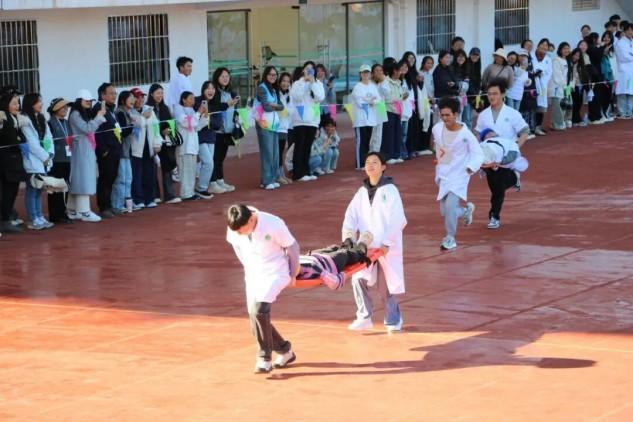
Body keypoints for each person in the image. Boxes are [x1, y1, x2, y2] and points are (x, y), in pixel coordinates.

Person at [225, 204, 299, 374]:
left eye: (242, 230)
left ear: (251, 219)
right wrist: (248, 265)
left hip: (276, 271)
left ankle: (264, 358)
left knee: (260, 309)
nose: (239, 234)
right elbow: (236, 246)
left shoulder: (273, 223)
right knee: (256, 321)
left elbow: (292, 247)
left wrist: (293, 273)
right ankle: (285, 351)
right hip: (253, 273)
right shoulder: (235, 225)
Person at [343, 151, 407, 332]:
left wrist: (387, 242)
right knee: (358, 278)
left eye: (375, 162)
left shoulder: (390, 190)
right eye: (367, 162)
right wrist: (348, 237)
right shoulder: (361, 192)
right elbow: (350, 216)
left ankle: (393, 319)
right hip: (366, 245)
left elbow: (398, 218)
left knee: (385, 285)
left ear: (383, 167)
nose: (370, 165)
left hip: (385, 246)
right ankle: (364, 316)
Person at [476, 79, 529, 230]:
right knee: (495, 186)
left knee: (497, 186)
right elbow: (478, 134)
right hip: (489, 156)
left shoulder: (512, 113)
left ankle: (494, 216)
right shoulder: (483, 115)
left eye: (495, 94)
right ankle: (514, 179)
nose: (491, 97)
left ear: (503, 94)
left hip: (507, 157)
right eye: (489, 94)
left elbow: (525, 131)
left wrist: (515, 147)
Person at [432, 96, 482, 251]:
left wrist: (470, 168)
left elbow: (478, 154)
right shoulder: (437, 129)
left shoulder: (466, 135)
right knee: (445, 212)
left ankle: (450, 238)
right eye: (442, 115)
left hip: (460, 175)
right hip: (444, 173)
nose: (445, 118)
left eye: (448, 115)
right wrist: (440, 161)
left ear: (456, 114)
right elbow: (439, 148)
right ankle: (466, 211)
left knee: (450, 208)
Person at [66, 89, 105, 222]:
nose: (89, 102)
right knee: (83, 179)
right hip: (80, 149)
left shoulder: (81, 114)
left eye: (90, 100)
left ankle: (72, 209)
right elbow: (87, 128)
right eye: (86, 100)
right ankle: (84, 211)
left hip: (84, 148)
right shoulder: (75, 115)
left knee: (80, 179)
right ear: (79, 101)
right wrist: (98, 117)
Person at [20, 93, 54, 230]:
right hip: (33, 160)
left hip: (44, 160)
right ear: (31, 103)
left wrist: (50, 154)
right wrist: (45, 157)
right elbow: (31, 143)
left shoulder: (41, 118)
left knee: (40, 189)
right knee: (32, 189)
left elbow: (49, 137)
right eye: (38, 101)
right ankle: (33, 218)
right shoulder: (24, 120)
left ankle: (39, 216)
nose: (41, 104)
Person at [289, 61, 325, 181]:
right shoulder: (297, 83)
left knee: (307, 147)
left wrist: (312, 82)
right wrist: (304, 82)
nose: (309, 71)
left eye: (311, 69)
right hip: (299, 120)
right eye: (307, 69)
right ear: (303, 70)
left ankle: (306, 170)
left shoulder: (318, 83)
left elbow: (320, 97)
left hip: (312, 120)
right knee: (299, 146)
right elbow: (296, 97)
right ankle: (297, 173)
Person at [297, 235, 373, 290]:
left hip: (330, 261)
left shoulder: (311, 268)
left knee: (353, 255)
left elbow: (335, 282)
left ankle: (363, 242)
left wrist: (342, 275)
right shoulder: (293, 263)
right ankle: (348, 243)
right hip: (314, 255)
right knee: (336, 249)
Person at [146, 84, 181, 205]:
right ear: (151, 94)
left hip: (165, 143)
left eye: (161, 93)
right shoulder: (147, 108)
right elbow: (148, 126)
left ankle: (169, 195)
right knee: (152, 168)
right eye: (157, 93)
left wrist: (169, 130)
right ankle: (154, 195)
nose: (160, 95)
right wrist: (161, 132)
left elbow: (170, 123)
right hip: (152, 142)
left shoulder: (165, 108)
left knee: (167, 167)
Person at [0, 87, 27, 235]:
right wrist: (17, 139)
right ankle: (5, 220)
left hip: (14, 162)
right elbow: (12, 139)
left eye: (18, 103)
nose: (17, 106)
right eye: (14, 103)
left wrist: (18, 139)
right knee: (6, 192)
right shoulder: (4, 119)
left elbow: (22, 139)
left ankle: (7, 218)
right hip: (6, 163)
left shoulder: (16, 119)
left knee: (12, 191)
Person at [129, 87, 161, 209]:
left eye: (142, 97)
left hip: (149, 147)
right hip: (136, 148)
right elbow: (135, 125)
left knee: (149, 174)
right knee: (137, 175)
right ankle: (138, 199)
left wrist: (157, 143)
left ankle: (150, 198)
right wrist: (143, 117)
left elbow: (156, 127)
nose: (140, 99)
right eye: (137, 97)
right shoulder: (130, 112)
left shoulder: (149, 110)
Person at [174, 91, 208, 201]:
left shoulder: (192, 110)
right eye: (190, 98)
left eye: (194, 99)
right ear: (183, 99)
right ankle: (186, 193)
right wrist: (198, 113)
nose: (193, 101)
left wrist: (204, 117)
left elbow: (196, 127)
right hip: (184, 146)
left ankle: (190, 192)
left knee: (192, 171)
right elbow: (188, 123)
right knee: (185, 171)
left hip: (192, 145)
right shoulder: (179, 109)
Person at [93, 82, 121, 218]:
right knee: (105, 178)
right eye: (111, 93)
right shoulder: (99, 108)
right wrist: (103, 149)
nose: (114, 96)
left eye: (115, 93)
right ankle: (104, 207)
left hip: (115, 148)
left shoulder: (111, 109)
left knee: (112, 177)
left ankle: (109, 205)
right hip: (106, 151)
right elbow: (97, 130)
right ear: (102, 95)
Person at [255, 65, 284, 190]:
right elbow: (266, 107)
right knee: (267, 153)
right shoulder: (261, 88)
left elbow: (281, 106)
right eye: (270, 74)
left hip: (273, 124)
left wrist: (274, 105)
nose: (273, 77)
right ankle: (267, 181)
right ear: (265, 75)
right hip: (264, 124)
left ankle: (270, 178)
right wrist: (274, 105)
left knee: (274, 153)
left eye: (275, 75)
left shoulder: (274, 89)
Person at [210, 67, 239, 193]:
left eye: (227, 76)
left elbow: (234, 109)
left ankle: (220, 180)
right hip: (217, 130)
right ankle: (212, 183)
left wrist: (237, 116)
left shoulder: (231, 93)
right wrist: (227, 104)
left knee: (221, 157)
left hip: (228, 130)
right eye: (222, 76)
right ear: (217, 77)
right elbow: (213, 107)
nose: (225, 78)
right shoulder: (213, 92)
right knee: (214, 158)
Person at [194, 81, 223, 198]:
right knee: (208, 163)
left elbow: (218, 124)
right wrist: (201, 114)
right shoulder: (196, 101)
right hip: (199, 137)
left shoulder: (216, 104)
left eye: (213, 88)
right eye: (208, 88)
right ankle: (201, 188)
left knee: (208, 163)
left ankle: (202, 187)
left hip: (211, 138)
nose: (211, 91)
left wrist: (208, 119)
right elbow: (194, 119)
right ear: (203, 90)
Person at [46, 97, 73, 223]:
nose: (65, 109)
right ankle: (55, 215)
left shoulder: (66, 122)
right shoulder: (50, 123)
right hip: (56, 161)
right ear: (55, 109)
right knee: (54, 188)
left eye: (66, 106)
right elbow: (47, 143)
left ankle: (63, 212)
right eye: (62, 107)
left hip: (67, 159)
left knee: (65, 187)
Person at [112, 91, 137, 213]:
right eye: (130, 98)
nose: (133, 101)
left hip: (126, 151)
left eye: (133, 98)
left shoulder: (127, 113)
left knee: (128, 178)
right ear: (122, 100)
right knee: (121, 179)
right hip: (121, 151)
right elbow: (123, 132)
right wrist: (132, 124)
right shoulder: (120, 113)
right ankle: (118, 204)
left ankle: (128, 203)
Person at [352, 64, 381, 168]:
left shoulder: (373, 86)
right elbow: (360, 102)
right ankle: (359, 164)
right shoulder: (357, 87)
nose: (366, 74)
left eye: (367, 72)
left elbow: (378, 99)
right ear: (360, 74)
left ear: (370, 74)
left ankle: (365, 162)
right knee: (361, 142)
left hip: (370, 119)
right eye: (364, 72)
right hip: (360, 120)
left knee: (368, 141)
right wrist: (370, 101)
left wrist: (371, 101)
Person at [380, 58, 405, 164]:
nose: (401, 73)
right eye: (399, 70)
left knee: (397, 133)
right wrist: (400, 98)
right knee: (388, 134)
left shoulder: (398, 82)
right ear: (394, 71)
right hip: (388, 110)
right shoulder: (385, 81)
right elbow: (388, 98)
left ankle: (396, 154)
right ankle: (388, 156)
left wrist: (400, 97)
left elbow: (399, 96)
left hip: (397, 111)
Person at [549, 42, 572, 131]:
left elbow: (570, 75)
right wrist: (564, 85)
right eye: (564, 48)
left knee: (566, 104)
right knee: (557, 106)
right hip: (557, 87)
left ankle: (562, 121)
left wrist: (569, 86)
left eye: (568, 48)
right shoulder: (556, 60)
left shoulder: (568, 61)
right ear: (560, 50)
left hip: (567, 87)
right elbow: (557, 75)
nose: (566, 50)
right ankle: (558, 124)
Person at [276, 72, 294, 184]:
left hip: (284, 127)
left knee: (281, 151)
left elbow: (291, 110)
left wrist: (284, 110)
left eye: (288, 81)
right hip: (275, 127)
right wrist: (283, 110)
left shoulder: (289, 95)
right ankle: (277, 175)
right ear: (279, 82)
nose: (285, 83)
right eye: (283, 81)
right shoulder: (275, 94)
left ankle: (281, 174)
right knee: (276, 152)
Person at [532, 41, 553, 135]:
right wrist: (534, 74)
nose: (544, 47)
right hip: (532, 83)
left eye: (546, 46)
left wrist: (542, 75)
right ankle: (530, 127)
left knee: (540, 106)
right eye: (542, 45)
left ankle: (538, 127)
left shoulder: (548, 59)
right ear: (538, 45)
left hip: (542, 85)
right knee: (531, 106)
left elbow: (549, 72)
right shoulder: (531, 56)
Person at [615, 23, 633, 119]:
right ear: (624, 31)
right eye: (628, 30)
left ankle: (630, 111)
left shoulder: (632, 41)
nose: (630, 32)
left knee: (631, 92)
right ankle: (622, 112)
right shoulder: (620, 43)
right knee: (623, 91)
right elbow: (623, 57)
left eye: (632, 30)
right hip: (624, 71)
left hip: (631, 70)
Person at [369, 63, 388, 155]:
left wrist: (383, 81)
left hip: (380, 107)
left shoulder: (384, 81)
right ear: (372, 73)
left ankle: (376, 152)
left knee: (379, 132)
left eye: (381, 70)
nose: (379, 72)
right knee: (372, 132)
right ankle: (369, 152)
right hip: (371, 109)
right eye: (377, 71)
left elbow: (386, 92)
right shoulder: (369, 83)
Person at [569, 48, 590, 127]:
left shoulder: (581, 65)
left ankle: (577, 118)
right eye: (575, 55)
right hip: (571, 87)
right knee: (573, 103)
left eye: (578, 56)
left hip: (580, 86)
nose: (576, 57)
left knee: (579, 103)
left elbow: (585, 76)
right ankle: (574, 119)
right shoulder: (569, 63)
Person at [451, 49, 471, 128]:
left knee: (463, 115)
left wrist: (463, 85)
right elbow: (454, 83)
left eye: (463, 57)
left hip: (463, 96)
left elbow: (467, 83)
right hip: (455, 96)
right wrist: (461, 85)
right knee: (457, 116)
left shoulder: (465, 68)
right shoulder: (452, 68)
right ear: (455, 57)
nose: (461, 58)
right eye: (459, 56)